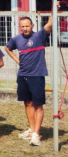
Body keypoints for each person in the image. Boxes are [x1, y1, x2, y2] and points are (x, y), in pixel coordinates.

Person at [4, 15, 53, 146]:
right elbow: (7, 48)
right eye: (23, 26)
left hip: (37, 75)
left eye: (27, 26)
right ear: (20, 28)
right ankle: (31, 130)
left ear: (32, 26)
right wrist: (16, 59)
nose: (25, 28)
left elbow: (49, 25)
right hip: (22, 75)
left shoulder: (39, 36)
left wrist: (54, 10)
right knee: (27, 103)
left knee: (38, 104)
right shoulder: (17, 39)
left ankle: (37, 134)